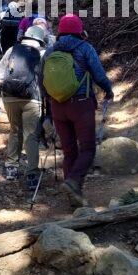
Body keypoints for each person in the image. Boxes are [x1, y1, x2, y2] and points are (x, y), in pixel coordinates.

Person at [39, 14, 113, 206]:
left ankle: (74, 198)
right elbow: (98, 74)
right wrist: (108, 90)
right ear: (80, 31)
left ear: (60, 31)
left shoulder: (49, 51)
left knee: (69, 151)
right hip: (81, 105)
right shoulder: (85, 48)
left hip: (57, 106)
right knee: (87, 149)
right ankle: (73, 183)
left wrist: (49, 105)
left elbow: (42, 80)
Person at [0, 25, 48, 189]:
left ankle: (11, 168)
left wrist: (10, 85)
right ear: (40, 39)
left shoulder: (12, 50)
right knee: (31, 135)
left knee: (15, 130)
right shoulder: (43, 53)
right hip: (33, 99)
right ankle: (31, 174)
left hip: (10, 97)